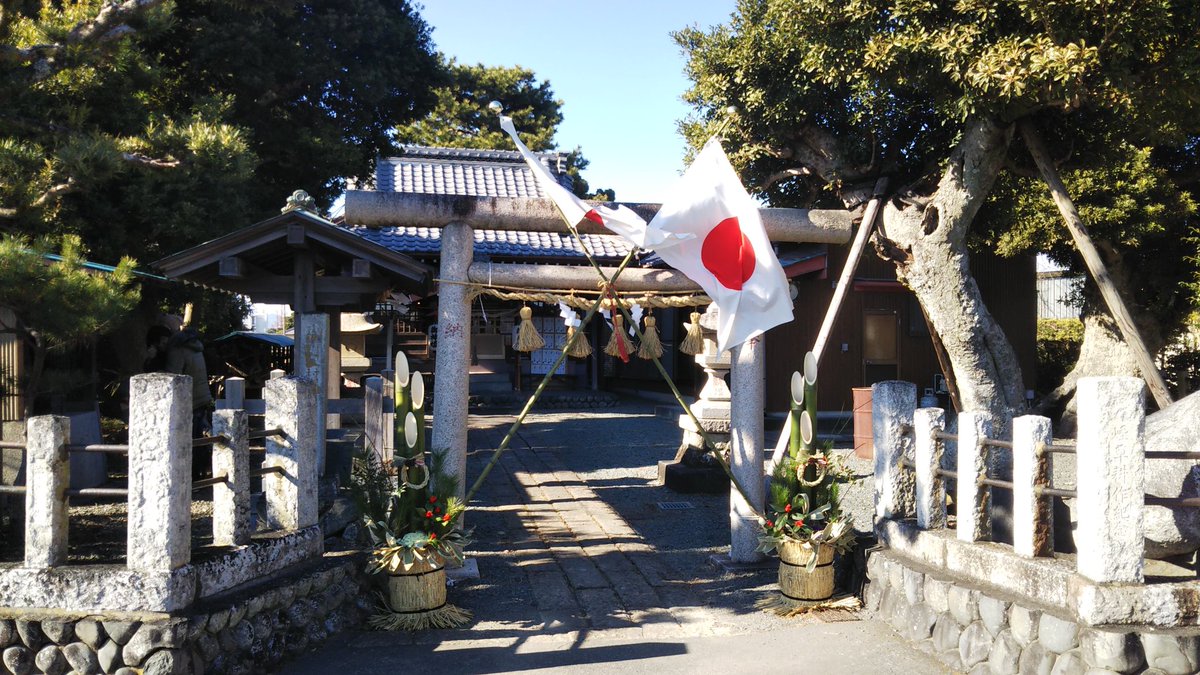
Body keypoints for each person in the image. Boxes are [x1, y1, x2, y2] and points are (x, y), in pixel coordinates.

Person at [164, 327, 214, 477]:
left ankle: (191, 473)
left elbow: (172, 377)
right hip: (202, 397)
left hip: (189, 401)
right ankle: (202, 470)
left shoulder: (177, 351)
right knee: (199, 438)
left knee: (190, 440)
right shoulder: (197, 349)